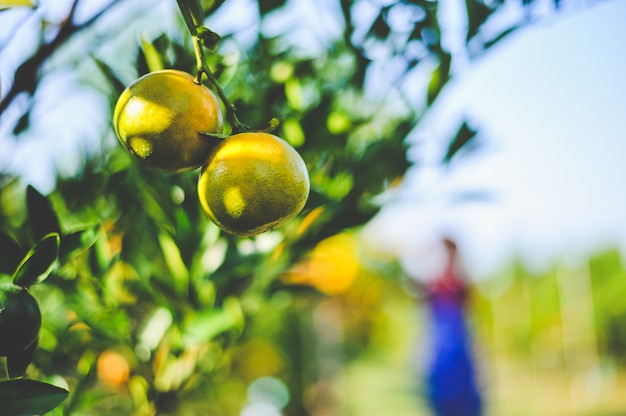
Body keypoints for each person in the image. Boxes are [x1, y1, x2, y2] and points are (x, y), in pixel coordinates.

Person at [422, 238, 483, 416]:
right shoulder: (435, 281)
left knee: (460, 382)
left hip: (456, 335)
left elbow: (469, 303)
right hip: (442, 337)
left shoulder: (460, 280)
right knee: (443, 383)